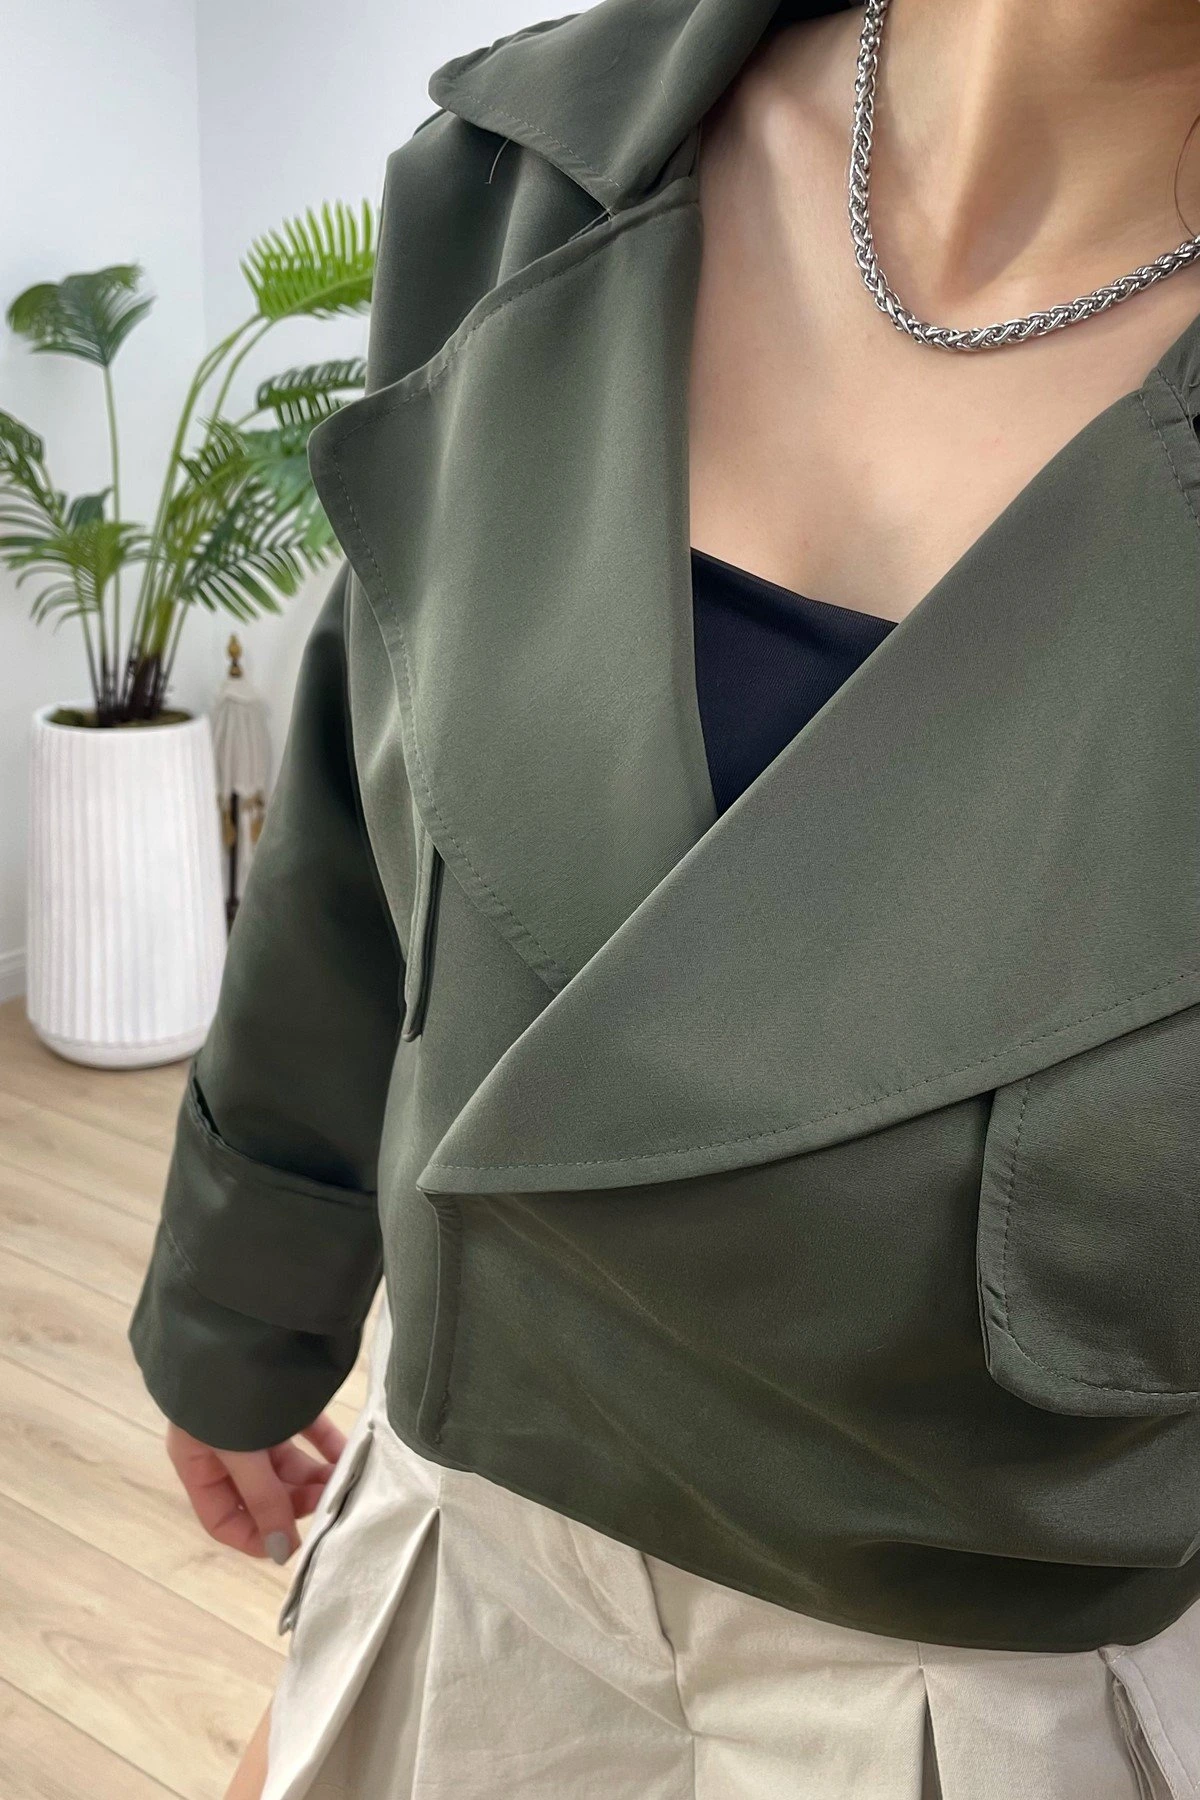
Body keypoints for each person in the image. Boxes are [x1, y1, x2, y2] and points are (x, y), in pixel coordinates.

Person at [129, 1, 1200, 1795]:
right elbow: (364, 790)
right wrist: (244, 1303)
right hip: (465, 1551)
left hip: (1000, 1695)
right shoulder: (525, 178)